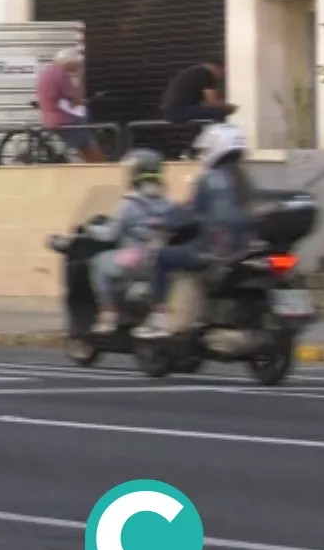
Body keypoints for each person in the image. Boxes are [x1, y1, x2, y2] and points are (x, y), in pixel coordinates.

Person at [137, 121, 256, 339]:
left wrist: (165, 222)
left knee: (161, 256)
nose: (203, 155)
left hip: (211, 249)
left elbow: (191, 213)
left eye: (205, 149)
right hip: (245, 247)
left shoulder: (209, 180)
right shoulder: (246, 178)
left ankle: (159, 318)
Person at [89, 149, 173, 332]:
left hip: (136, 259)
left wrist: (90, 229)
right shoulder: (167, 203)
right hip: (160, 259)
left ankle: (108, 312)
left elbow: (110, 234)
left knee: (99, 263)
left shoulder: (129, 204)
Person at [37, 47, 105, 163]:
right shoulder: (60, 75)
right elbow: (76, 99)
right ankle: (101, 168)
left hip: (51, 118)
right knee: (89, 145)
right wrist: (80, 76)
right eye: (77, 64)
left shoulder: (47, 72)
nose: (77, 67)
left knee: (84, 131)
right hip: (63, 120)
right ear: (69, 63)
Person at [161, 59, 235, 126]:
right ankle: (219, 138)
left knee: (207, 113)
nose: (221, 76)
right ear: (217, 68)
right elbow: (212, 102)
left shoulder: (193, 71)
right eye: (222, 73)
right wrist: (228, 107)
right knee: (220, 112)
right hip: (181, 111)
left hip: (170, 111)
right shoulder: (205, 74)